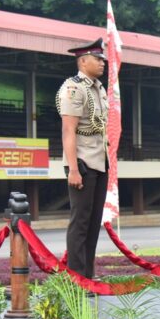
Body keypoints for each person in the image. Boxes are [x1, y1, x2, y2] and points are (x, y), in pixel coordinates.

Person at [56, 38, 109, 279]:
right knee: (80, 222)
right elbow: (69, 130)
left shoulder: (99, 88)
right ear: (83, 60)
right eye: (98, 59)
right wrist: (74, 169)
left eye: (103, 59)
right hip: (83, 163)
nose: (102, 63)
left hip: (100, 160)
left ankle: (88, 273)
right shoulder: (73, 88)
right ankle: (77, 276)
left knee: (93, 221)